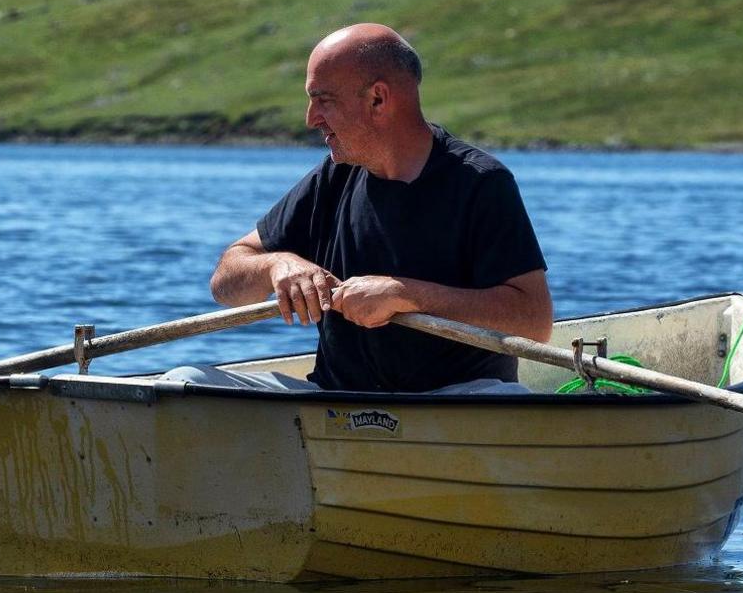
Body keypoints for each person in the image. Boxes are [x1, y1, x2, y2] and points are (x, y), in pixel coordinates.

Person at [168, 24, 552, 394]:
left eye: (324, 100)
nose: (310, 118)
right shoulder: (334, 176)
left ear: (378, 99)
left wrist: (407, 295)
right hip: (334, 402)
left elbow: (534, 320)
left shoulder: (481, 182)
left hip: (457, 402)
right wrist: (276, 266)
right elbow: (225, 283)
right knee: (182, 380)